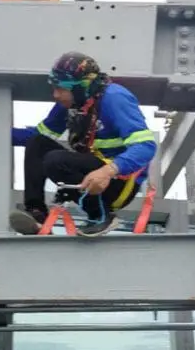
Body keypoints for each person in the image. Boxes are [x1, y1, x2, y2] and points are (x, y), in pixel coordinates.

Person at [9, 52, 157, 237]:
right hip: (92, 173)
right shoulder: (74, 104)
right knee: (37, 144)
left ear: (82, 87)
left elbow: (146, 147)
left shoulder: (114, 97)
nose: (55, 94)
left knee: (55, 160)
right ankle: (37, 216)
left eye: (61, 88)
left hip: (118, 182)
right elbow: (37, 135)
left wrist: (107, 171)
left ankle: (100, 216)